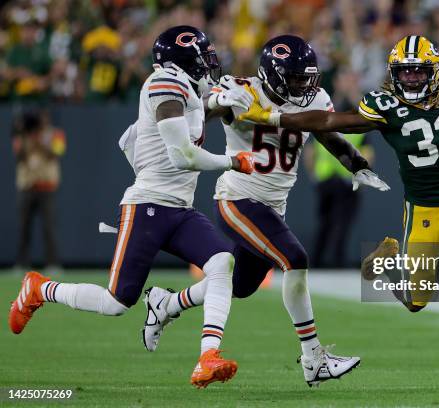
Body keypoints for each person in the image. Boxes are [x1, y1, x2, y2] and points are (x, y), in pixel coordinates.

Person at [239, 35, 439, 392]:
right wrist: (274, 117)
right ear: (393, 73)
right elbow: (328, 122)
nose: (412, 79)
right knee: (416, 302)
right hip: (424, 212)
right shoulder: (384, 105)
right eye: (405, 73)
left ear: (433, 70)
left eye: (418, 72)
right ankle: (382, 267)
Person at [9, 25, 255, 389]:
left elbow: (176, 122)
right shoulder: (164, 84)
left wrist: (222, 101)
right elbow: (183, 154)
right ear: (182, 60)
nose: (208, 64)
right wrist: (232, 161)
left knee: (223, 264)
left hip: (180, 208)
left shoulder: (181, 88)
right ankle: (39, 289)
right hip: (149, 207)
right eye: (202, 57)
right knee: (116, 302)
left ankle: (206, 356)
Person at [145, 35, 390, 387]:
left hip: (273, 206)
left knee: (240, 285)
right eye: (294, 79)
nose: (303, 86)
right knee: (295, 259)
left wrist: (357, 163)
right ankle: (313, 357)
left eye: (307, 78)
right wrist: (217, 99)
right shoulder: (243, 89)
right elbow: (203, 110)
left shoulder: (316, 97)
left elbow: (325, 131)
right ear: (272, 74)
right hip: (238, 198)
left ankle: (167, 304)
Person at [306, 133, 374, 267]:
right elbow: (368, 156)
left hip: (325, 179)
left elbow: (310, 153)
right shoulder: (358, 131)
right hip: (347, 182)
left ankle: (317, 260)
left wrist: (314, 175)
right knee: (343, 222)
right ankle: (337, 260)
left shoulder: (325, 127)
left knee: (325, 221)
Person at [13, 110, 66, 273]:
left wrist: (41, 140)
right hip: (27, 186)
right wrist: (24, 134)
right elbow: (18, 155)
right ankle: (21, 264)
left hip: (47, 186)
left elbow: (58, 152)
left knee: (49, 227)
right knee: (23, 227)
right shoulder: (23, 134)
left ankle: (53, 264)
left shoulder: (56, 134)